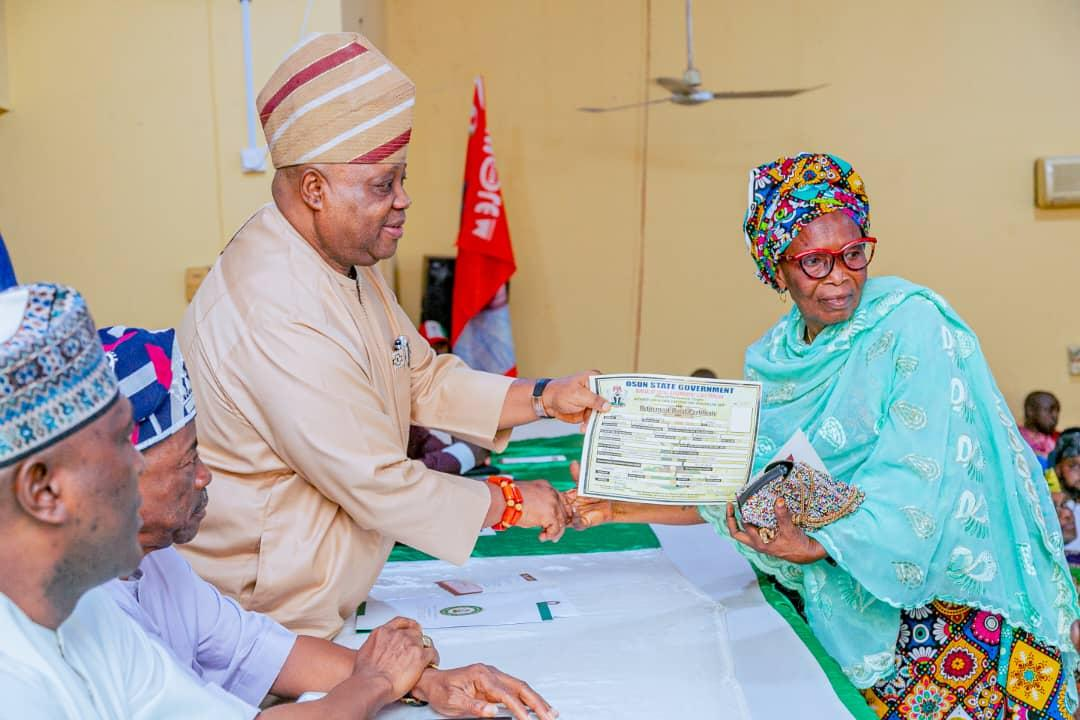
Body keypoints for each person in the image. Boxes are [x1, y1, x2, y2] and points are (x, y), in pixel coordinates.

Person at [570, 154, 1080, 718]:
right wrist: (618, 504)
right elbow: (743, 485)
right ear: (776, 270)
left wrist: (817, 545)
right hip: (858, 602)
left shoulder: (914, 324)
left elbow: (918, 481)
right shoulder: (777, 358)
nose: (839, 276)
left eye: (853, 253)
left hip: (956, 614)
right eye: (813, 261)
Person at [179, 32, 608, 638]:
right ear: (315, 190)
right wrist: (510, 503)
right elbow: (376, 481)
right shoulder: (272, 306)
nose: (403, 200)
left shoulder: (339, 256)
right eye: (384, 185)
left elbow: (419, 377)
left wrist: (544, 397)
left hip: (325, 594)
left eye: (401, 179)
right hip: (266, 620)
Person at [99, 325, 554, 719]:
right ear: (113, 478)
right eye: (187, 461)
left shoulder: (152, 561)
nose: (205, 476)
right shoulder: (93, 615)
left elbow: (256, 648)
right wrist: (378, 681)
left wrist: (424, 680)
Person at [0, 282, 348, 719]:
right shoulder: (15, 686)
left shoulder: (86, 611)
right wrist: (376, 682)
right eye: (119, 444)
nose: (135, 463)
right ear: (43, 491)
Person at [1021, 391, 1061, 470]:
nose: (1054, 416)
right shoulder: (1015, 437)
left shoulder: (1060, 439)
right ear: (1030, 411)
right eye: (1049, 410)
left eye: (1057, 411)